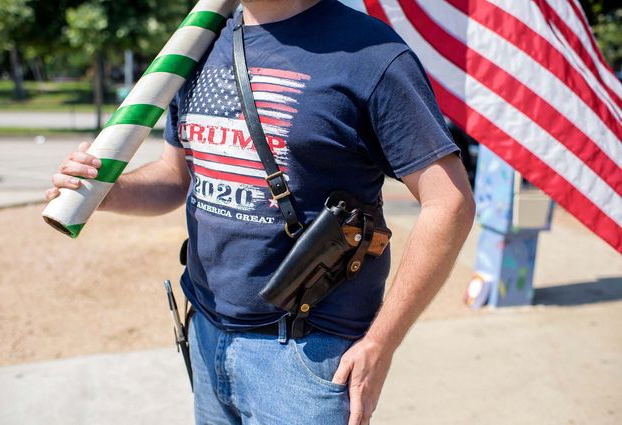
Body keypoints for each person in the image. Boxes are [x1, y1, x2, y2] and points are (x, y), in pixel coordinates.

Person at [46, 0, 475, 424]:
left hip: (307, 355)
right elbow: (176, 177)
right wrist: (109, 191)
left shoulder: (373, 55)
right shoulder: (196, 45)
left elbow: (449, 203)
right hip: (205, 330)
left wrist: (381, 342)